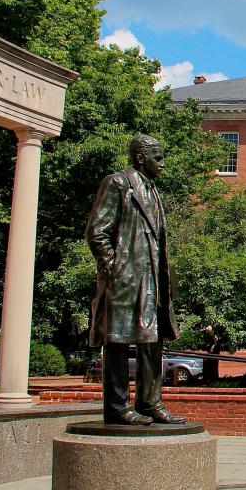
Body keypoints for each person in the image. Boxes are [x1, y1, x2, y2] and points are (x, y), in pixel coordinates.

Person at [86, 134, 186, 426]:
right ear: (141, 158)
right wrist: (114, 268)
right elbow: (97, 231)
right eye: (158, 157)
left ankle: (150, 402)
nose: (162, 164)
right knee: (117, 342)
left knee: (152, 340)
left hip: (152, 277)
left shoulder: (152, 190)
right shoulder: (118, 184)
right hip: (125, 278)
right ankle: (117, 406)